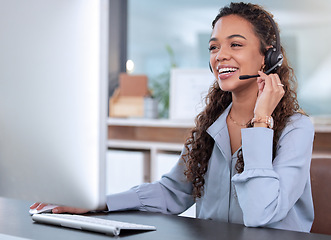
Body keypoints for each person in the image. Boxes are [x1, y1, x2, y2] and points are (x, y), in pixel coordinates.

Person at [31, 2, 314, 232]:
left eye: (235, 45)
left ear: (268, 56)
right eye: (214, 47)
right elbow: (172, 192)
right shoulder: (212, 126)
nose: (221, 56)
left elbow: (259, 213)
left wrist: (261, 120)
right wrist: (95, 203)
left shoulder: (295, 129)